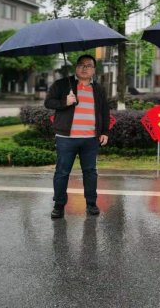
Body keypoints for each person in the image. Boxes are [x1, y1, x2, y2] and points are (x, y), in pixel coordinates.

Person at [44, 55, 110, 218]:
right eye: (81, 65)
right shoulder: (62, 84)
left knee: (90, 172)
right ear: (76, 68)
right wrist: (64, 102)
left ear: (94, 70)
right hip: (66, 138)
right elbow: (48, 102)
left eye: (89, 66)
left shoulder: (98, 89)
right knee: (62, 172)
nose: (84, 68)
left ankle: (91, 203)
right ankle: (59, 205)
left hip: (90, 139)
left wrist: (105, 132)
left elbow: (104, 111)